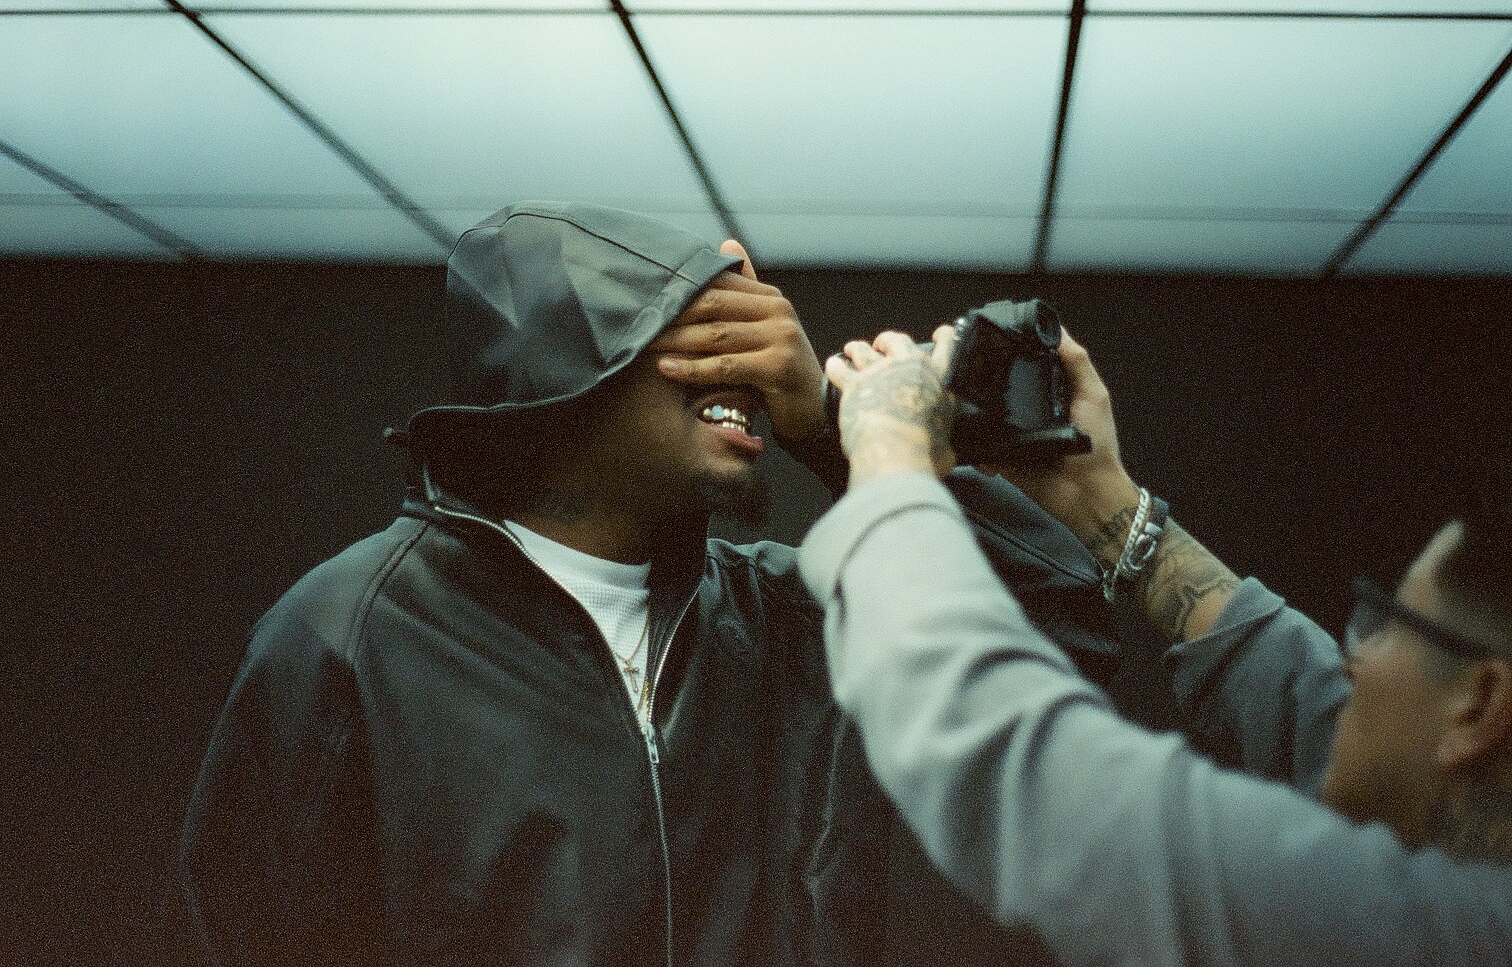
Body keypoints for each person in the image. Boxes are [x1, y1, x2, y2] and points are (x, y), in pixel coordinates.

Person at [178, 202, 1118, 966]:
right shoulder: (352, 635)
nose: (750, 367)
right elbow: (255, 930)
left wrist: (835, 429)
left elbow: (1060, 631)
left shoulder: (780, 615)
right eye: (700, 336)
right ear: (557, 379)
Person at [801, 324, 1512, 965]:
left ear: (1480, 703)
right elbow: (1308, 697)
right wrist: (1103, 502)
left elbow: (1026, 773)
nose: (1351, 658)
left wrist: (887, 449)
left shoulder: (1419, 931)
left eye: (1384, 625)